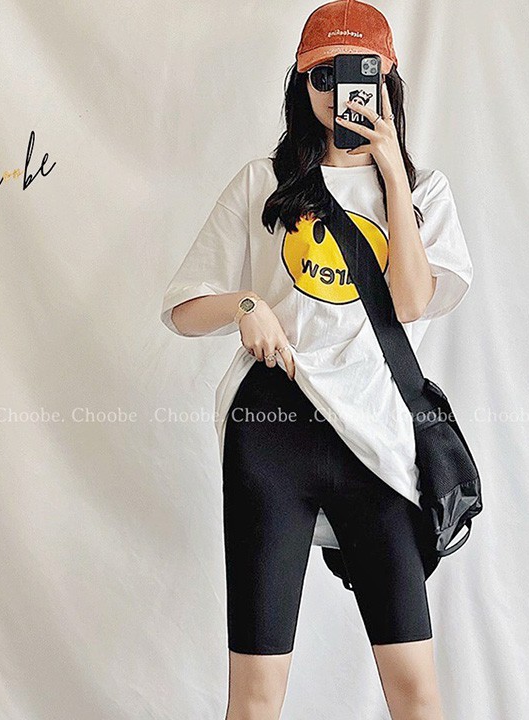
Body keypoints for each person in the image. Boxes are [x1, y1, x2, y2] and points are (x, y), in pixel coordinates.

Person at [160, 2, 473, 718]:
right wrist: (245, 304)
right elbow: (183, 308)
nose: (338, 91)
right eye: (321, 76)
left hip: (381, 442)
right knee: (256, 697)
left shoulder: (425, 192)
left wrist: (391, 174)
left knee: (417, 694)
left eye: (357, 73)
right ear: (301, 85)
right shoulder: (261, 183)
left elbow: (412, 301)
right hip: (273, 434)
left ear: (388, 80)